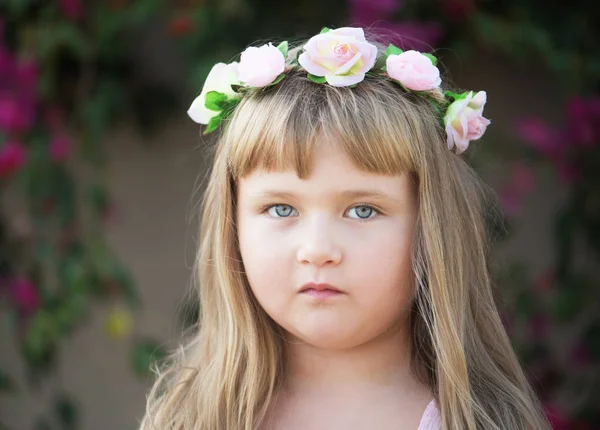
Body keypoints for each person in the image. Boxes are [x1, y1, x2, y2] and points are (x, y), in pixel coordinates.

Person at [139, 27, 550, 429]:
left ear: (433, 227)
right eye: (281, 208)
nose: (317, 250)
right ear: (232, 226)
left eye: (363, 211)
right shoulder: (193, 417)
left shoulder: (478, 421)